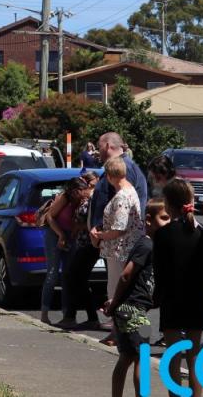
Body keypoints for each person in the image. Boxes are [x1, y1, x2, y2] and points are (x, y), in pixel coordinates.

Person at [61, 132, 147, 329]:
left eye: (99, 147)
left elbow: (124, 211)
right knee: (92, 277)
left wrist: (100, 232)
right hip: (104, 237)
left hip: (113, 238)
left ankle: (122, 327)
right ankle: (111, 323)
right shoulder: (115, 169)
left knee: (118, 282)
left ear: (108, 145)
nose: (97, 152)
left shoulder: (125, 170)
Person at [154, 179, 203, 397]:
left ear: (168, 204)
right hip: (197, 296)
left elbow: (160, 271)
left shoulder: (163, 234)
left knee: (173, 353)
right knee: (194, 352)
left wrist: (157, 296)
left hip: (172, 297)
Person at [105, 199, 166, 397]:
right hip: (133, 308)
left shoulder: (153, 245)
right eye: (164, 218)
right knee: (140, 357)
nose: (168, 222)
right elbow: (126, 274)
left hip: (135, 308)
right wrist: (114, 302)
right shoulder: (146, 245)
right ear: (148, 220)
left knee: (128, 356)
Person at [91, 157, 145, 343]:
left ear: (109, 175)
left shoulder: (122, 196)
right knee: (122, 289)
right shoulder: (130, 191)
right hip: (125, 248)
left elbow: (119, 227)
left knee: (115, 289)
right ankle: (122, 331)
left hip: (119, 250)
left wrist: (100, 235)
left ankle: (118, 333)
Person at [40, 176, 92, 325]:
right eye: (82, 190)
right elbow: (50, 217)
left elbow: (81, 222)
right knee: (52, 273)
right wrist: (61, 235)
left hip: (71, 235)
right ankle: (44, 313)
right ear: (75, 191)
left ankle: (67, 314)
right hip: (54, 233)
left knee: (68, 276)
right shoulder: (65, 198)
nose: (85, 192)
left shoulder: (84, 201)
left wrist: (74, 233)